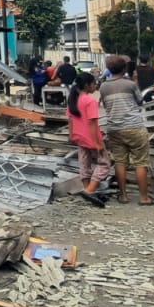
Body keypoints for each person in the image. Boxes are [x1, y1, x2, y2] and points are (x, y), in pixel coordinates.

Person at [99, 55, 154, 205]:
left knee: (120, 162)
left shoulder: (103, 86)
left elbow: (105, 104)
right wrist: (135, 81)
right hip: (134, 127)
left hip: (114, 128)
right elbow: (139, 101)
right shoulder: (130, 84)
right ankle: (144, 198)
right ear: (124, 69)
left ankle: (123, 196)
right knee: (140, 162)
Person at [67, 72, 109, 208]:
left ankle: (87, 189)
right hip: (90, 137)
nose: (95, 85)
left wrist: (71, 134)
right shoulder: (90, 101)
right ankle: (90, 190)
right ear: (87, 85)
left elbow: (71, 119)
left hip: (79, 136)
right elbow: (92, 123)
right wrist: (98, 142)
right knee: (104, 164)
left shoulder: (74, 99)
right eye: (93, 83)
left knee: (84, 162)